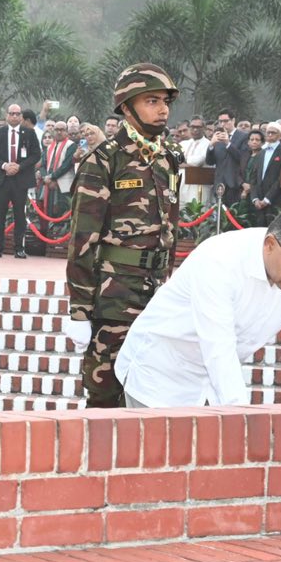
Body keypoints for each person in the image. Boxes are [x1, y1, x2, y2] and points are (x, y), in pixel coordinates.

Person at [114, 206, 281, 407]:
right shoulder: (219, 259)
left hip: (211, 386)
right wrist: (239, 416)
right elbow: (218, 345)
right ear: (270, 244)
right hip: (159, 375)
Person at [66, 63, 183, 408]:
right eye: (151, 101)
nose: (163, 109)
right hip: (114, 296)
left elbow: (170, 230)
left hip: (156, 295)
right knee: (105, 395)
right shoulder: (104, 161)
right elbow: (82, 241)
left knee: (149, 393)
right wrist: (80, 311)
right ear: (127, 107)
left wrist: (168, 287)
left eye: (165, 101)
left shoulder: (168, 159)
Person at [0, 104, 40, 258]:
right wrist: (5, 166)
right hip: (2, 179)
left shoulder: (29, 133)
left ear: (21, 116)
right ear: (7, 115)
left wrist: (19, 167)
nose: (14, 116)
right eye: (11, 113)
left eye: (17, 114)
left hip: (20, 179)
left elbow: (36, 155)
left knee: (20, 215)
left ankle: (19, 248)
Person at [248, 121, 281, 226]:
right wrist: (255, 198)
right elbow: (253, 178)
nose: (270, 135)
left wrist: (267, 199)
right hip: (259, 200)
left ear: (279, 135)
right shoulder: (261, 153)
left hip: (276, 200)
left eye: (273, 133)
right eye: (268, 132)